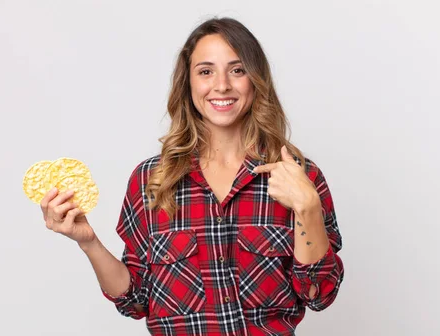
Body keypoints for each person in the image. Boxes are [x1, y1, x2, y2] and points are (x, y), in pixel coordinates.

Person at [40, 17, 344, 336]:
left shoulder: (299, 175)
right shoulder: (152, 180)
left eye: (237, 70)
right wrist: (88, 242)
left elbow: (318, 296)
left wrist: (307, 208)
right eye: (206, 71)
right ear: (189, 83)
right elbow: (136, 300)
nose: (222, 85)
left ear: (256, 80)